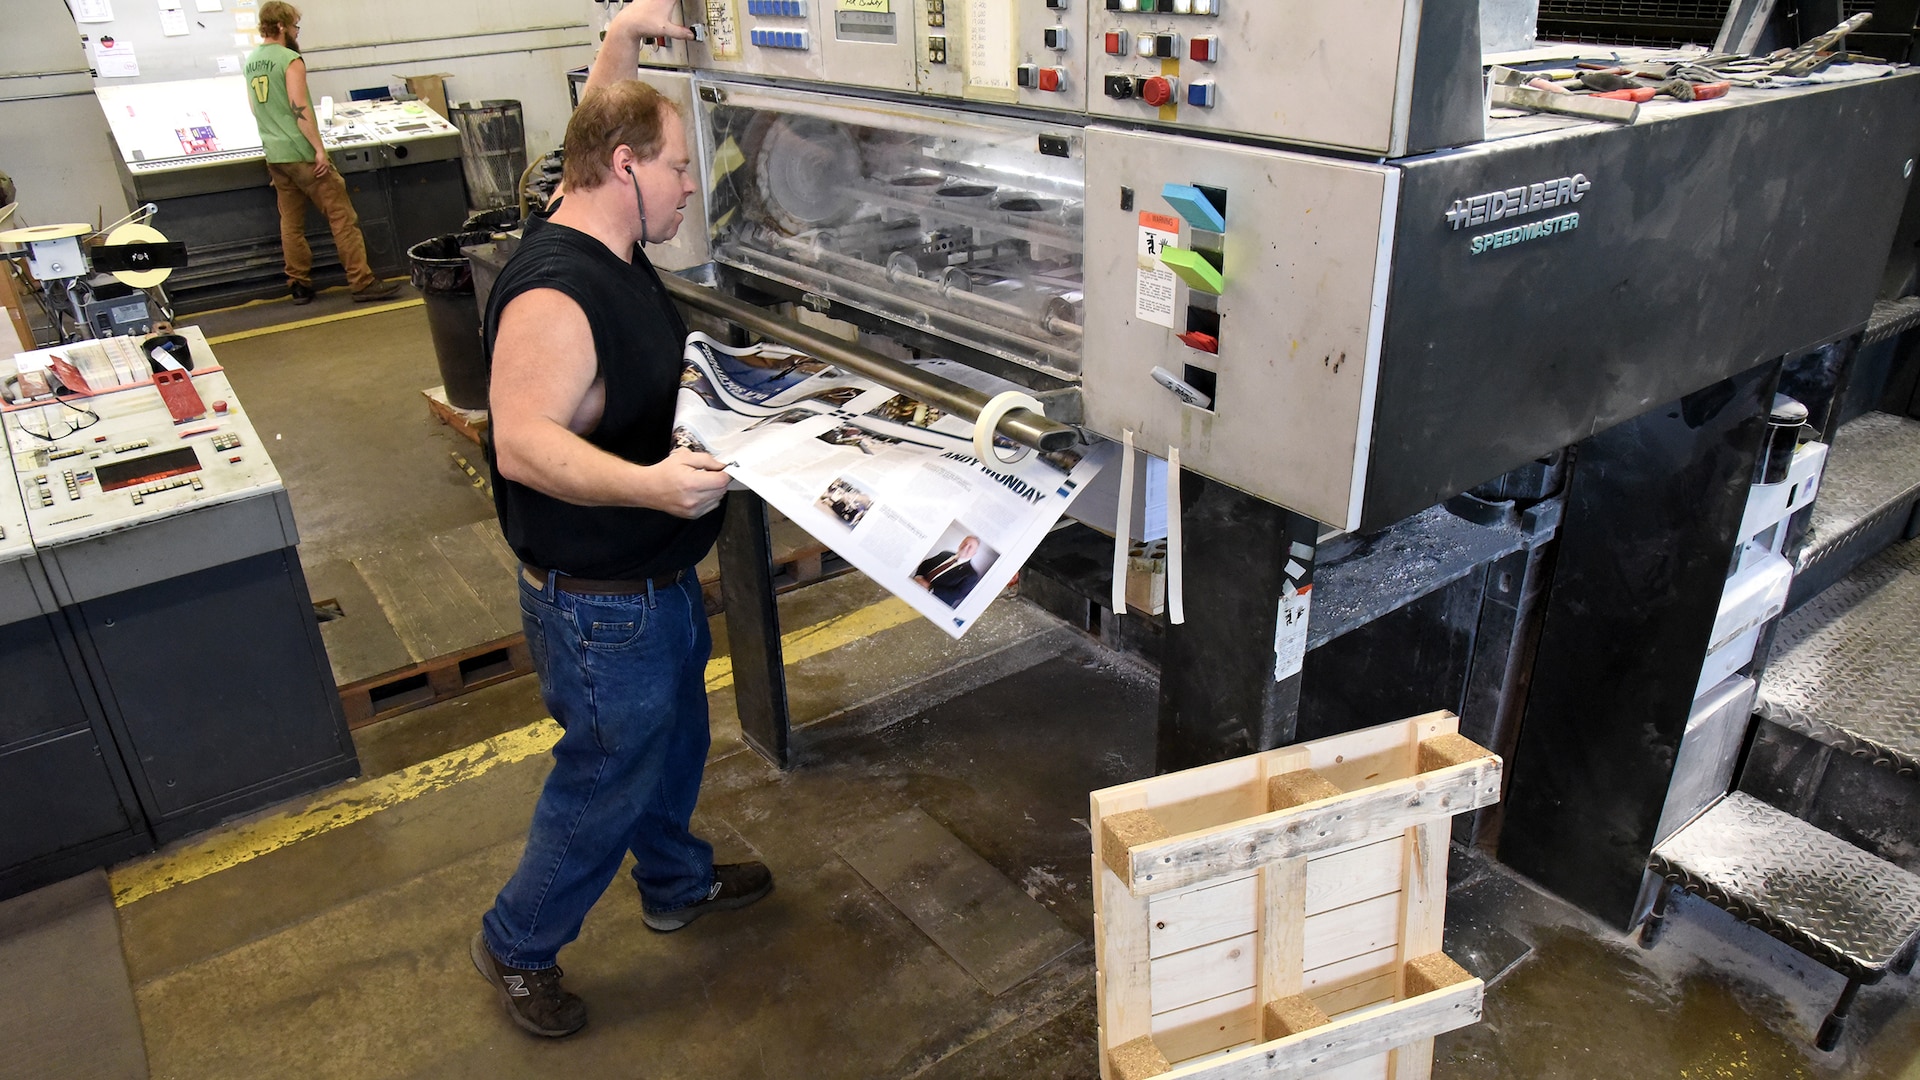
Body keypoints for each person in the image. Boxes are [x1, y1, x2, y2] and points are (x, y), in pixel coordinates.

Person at [468, 0, 770, 1040]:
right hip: (600, 602)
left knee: (675, 741)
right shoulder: (554, 293)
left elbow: (600, 117)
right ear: (630, 170)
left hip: (655, 580)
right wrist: (653, 488)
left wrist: (628, 31)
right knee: (604, 776)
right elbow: (522, 443)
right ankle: (517, 943)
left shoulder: (597, 202)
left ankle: (675, 882)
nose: (694, 184)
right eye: (683, 166)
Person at [243, 3, 399, 304]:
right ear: (280, 27)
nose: (296, 32)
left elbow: (254, 108)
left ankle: (298, 284)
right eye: (294, 26)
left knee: (291, 222)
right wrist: (318, 150)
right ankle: (361, 281)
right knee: (342, 216)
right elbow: (298, 109)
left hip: (275, 154)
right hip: (300, 152)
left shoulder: (252, 61)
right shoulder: (290, 60)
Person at [914, 535, 983, 608]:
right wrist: (919, 576)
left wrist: (930, 588)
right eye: (965, 543)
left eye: (970, 547)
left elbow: (958, 594)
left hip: (931, 604)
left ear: (974, 553)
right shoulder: (945, 554)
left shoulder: (971, 574)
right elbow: (926, 563)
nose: (965, 547)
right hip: (914, 586)